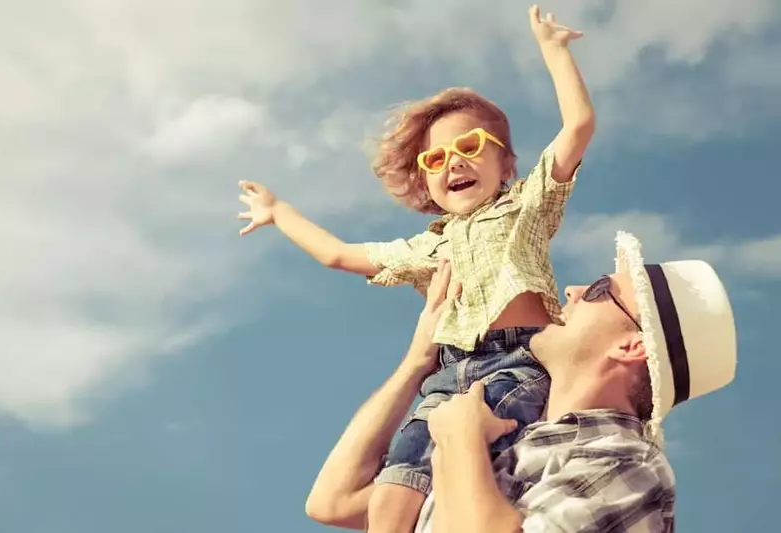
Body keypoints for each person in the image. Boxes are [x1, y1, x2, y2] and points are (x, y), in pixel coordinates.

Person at [238, 6, 594, 532]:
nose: (454, 163)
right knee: (390, 501)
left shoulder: (525, 207)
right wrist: (279, 213)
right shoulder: (428, 248)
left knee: (471, 472)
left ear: (507, 167)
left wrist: (554, 51)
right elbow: (338, 254)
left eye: (471, 147)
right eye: (436, 160)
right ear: (426, 182)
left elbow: (578, 126)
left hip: (518, 363)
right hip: (444, 378)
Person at [305, 231, 737, 532]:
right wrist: (416, 362)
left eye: (600, 290)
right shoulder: (509, 429)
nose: (572, 289)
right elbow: (332, 501)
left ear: (631, 346)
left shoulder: (627, 464)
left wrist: (459, 442)